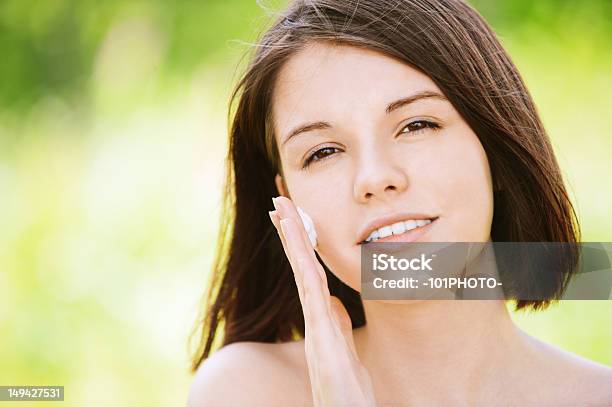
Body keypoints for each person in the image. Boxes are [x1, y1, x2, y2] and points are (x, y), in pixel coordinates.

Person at [187, 0, 612, 405]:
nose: (375, 179)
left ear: (496, 149)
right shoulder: (246, 391)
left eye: (416, 125)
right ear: (288, 202)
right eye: (324, 152)